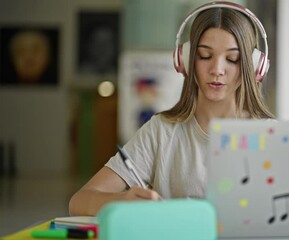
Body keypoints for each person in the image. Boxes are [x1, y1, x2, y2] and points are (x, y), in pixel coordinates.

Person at [69, 1, 274, 216]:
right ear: (186, 60)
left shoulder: (271, 136)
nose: (217, 70)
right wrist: (121, 202)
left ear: (254, 66)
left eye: (232, 59)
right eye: (205, 56)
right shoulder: (161, 131)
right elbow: (79, 201)